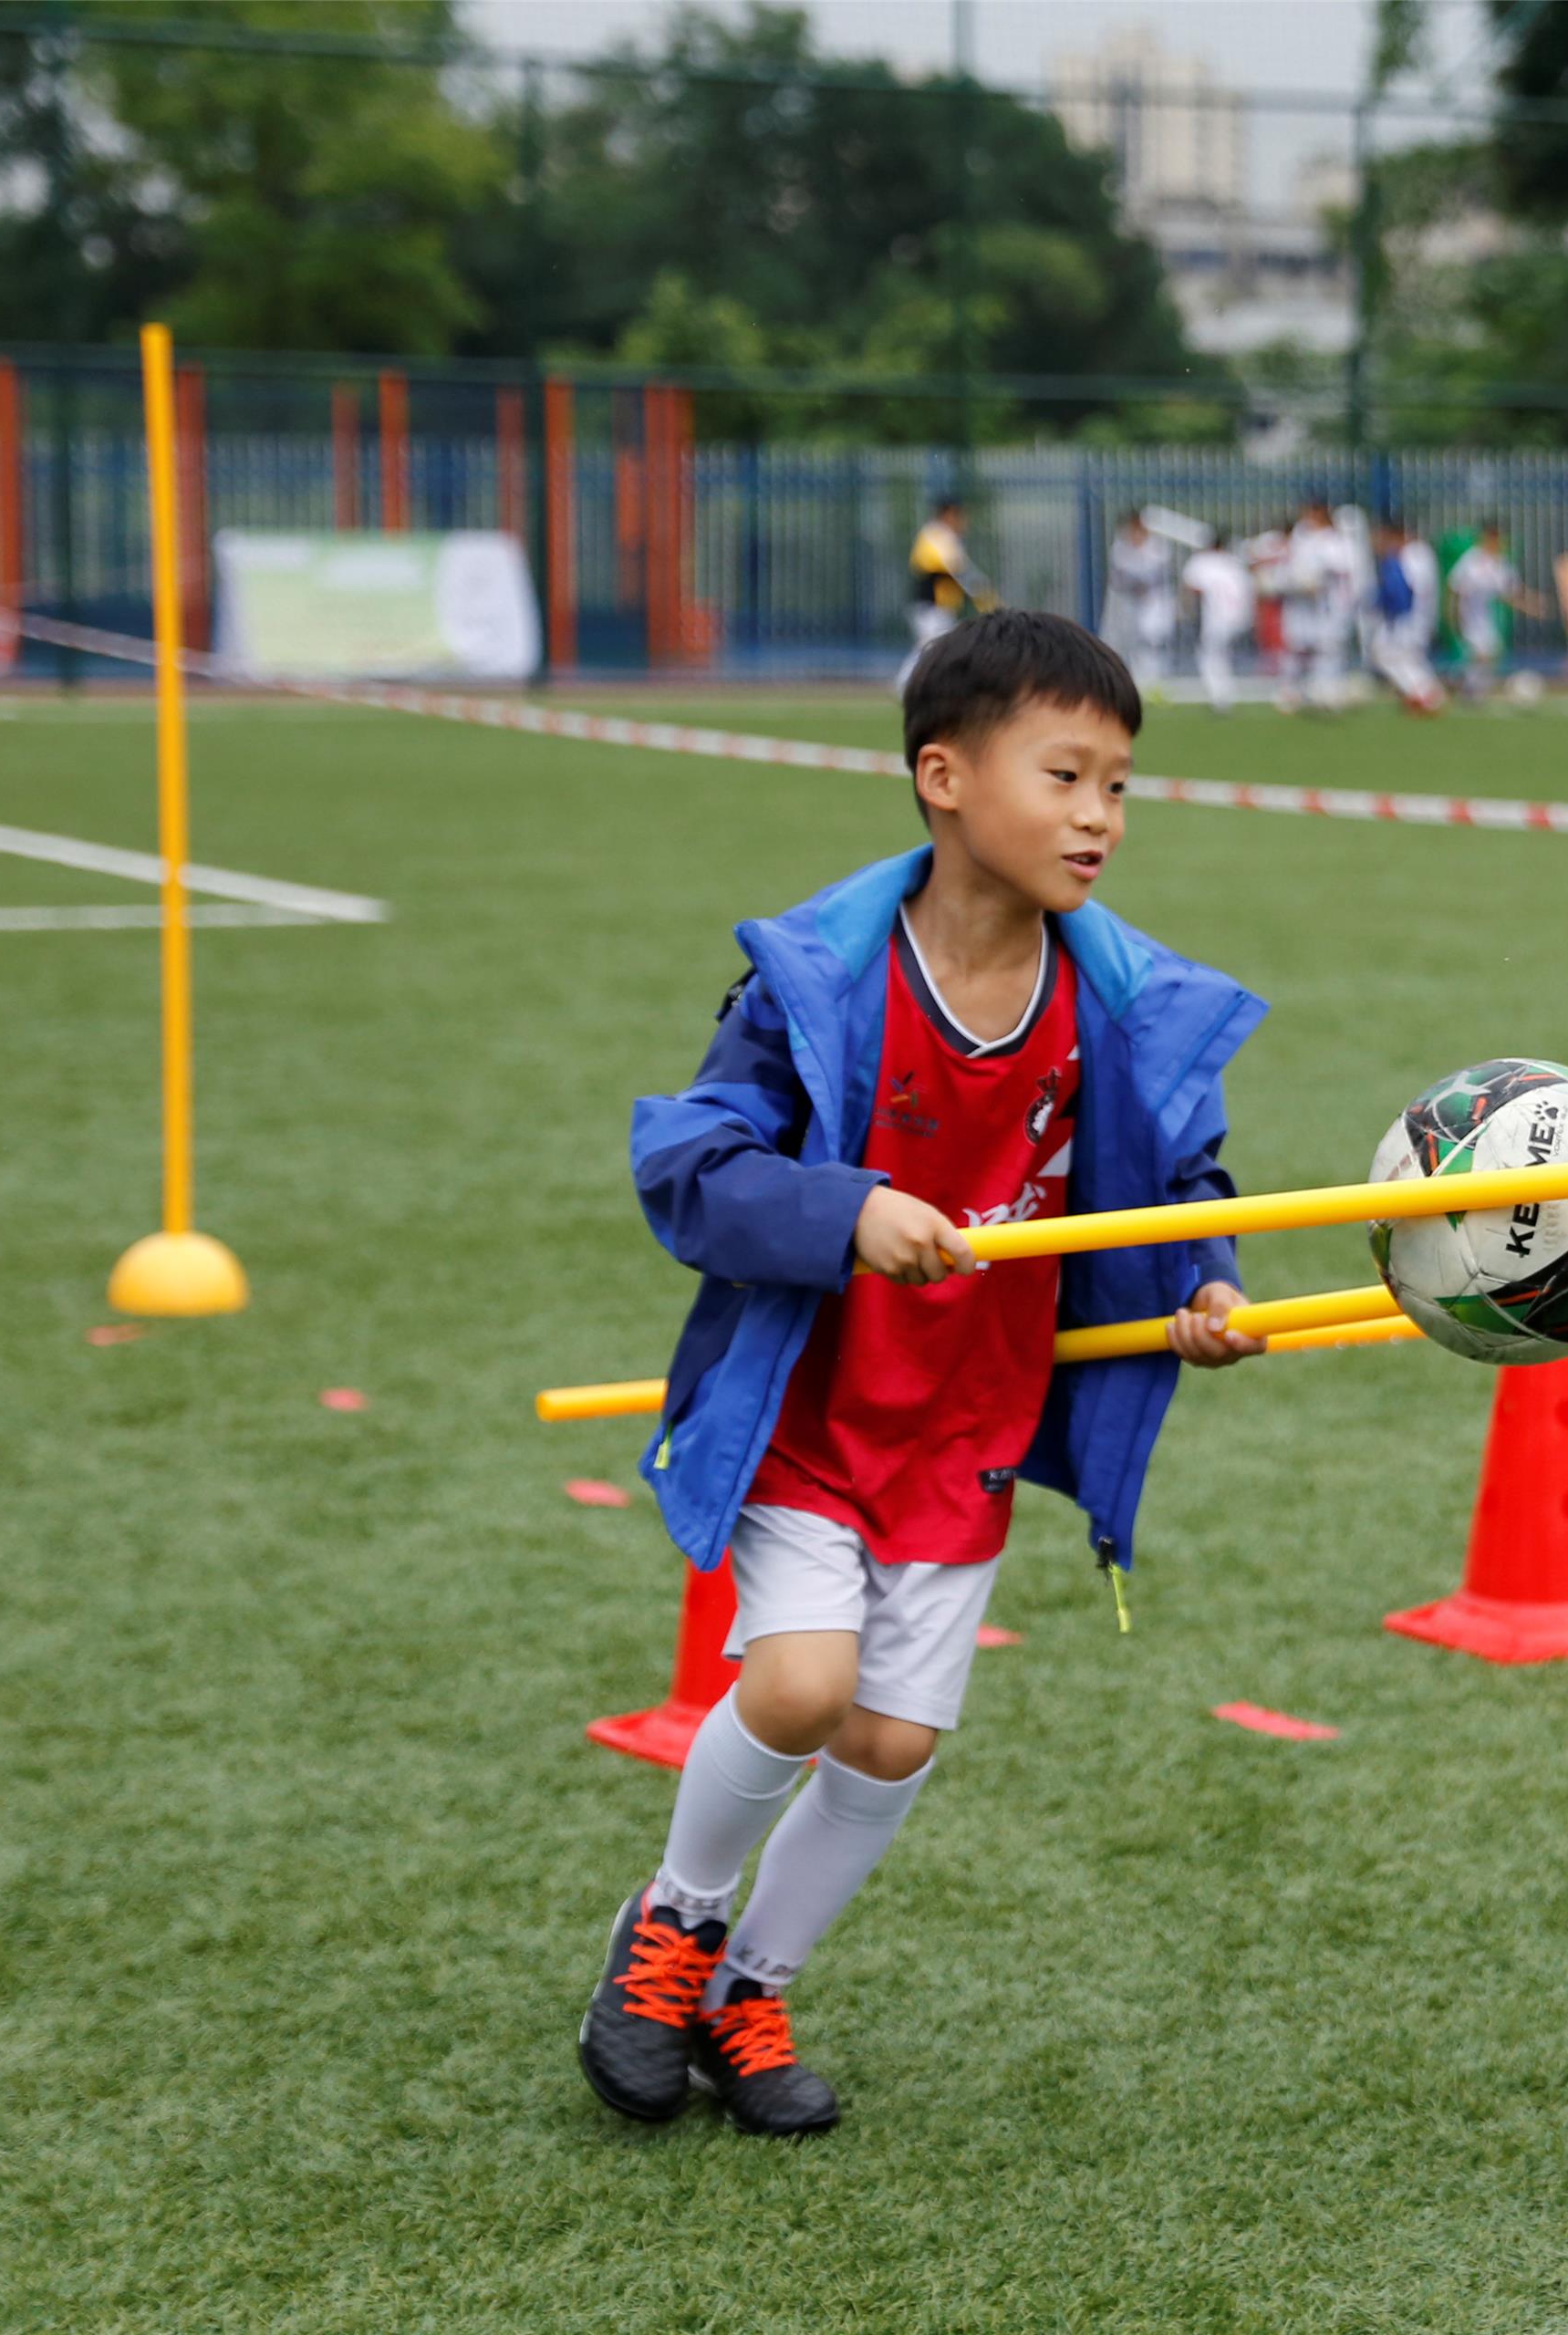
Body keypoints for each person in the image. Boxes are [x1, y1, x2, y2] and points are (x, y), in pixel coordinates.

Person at [581, 610, 1270, 2139]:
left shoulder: (1117, 1008)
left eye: (1120, 785)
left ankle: (748, 1987)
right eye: (1068, 774)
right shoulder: (820, 979)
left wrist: (1205, 1288)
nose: (1100, 815)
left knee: (893, 1739)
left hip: (968, 1423)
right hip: (812, 1410)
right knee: (806, 1686)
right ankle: (674, 1926)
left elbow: (1179, 1184)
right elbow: (686, 1167)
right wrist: (847, 1212)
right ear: (943, 776)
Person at [1445, 518, 1544, 701]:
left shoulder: (1500, 563)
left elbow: (1511, 592)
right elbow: (1455, 589)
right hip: (1468, 617)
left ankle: (1466, 689)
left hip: (1485, 619)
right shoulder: (1471, 561)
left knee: (1489, 657)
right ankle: (1460, 685)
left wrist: (1533, 605)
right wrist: (1454, 617)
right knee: (1481, 656)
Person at [898, 496, 992, 688]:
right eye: (959, 515)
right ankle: (904, 685)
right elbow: (956, 571)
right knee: (930, 646)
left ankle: (912, 685)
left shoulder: (944, 538)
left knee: (934, 645)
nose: (963, 521)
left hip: (939, 606)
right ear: (948, 514)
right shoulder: (936, 536)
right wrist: (981, 594)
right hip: (930, 606)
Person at [1279, 496, 1358, 712]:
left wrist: (1319, 581)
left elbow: (1343, 569)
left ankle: (1327, 691)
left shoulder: (1334, 540)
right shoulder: (1301, 534)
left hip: (1326, 604)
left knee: (1328, 648)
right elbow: (1292, 562)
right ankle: (1292, 691)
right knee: (1296, 646)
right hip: (1300, 600)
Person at [1366, 514, 1447, 712]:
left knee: (1385, 655)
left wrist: (1382, 607)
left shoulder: (1408, 555)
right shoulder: (1422, 552)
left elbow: (1400, 590)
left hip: (1408, 618)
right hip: (1422, 616)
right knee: (1411, 659)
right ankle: (1426, 694)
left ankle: (1423, 693)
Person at [1179, 529, 1255, 714]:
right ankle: (1225, 693)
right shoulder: (1235, 562)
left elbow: (1191, 588)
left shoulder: (1202, 562)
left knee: (1210, 656)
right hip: (1240, 617)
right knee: (1222, 655)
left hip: (1215, 618)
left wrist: (1186, 611)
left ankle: (1221, 697)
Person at [1102, 509, 1176, 690]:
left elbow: (1159, 574)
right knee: (1126, 642)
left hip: (1153, 602)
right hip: (1127, 600)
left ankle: (1153, 682)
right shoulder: (1121, 546)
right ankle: (1132, 681)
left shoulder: (1157, 546)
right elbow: (1119, 576)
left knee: (1151, 642)